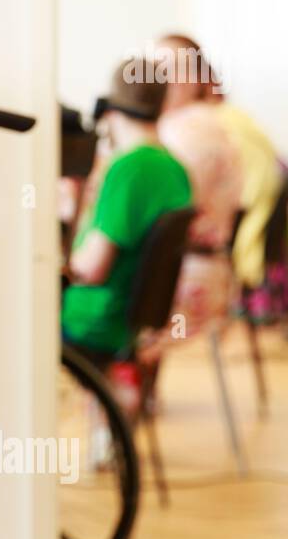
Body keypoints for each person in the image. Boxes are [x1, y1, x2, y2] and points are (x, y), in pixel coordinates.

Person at [61, 58, 193, 363]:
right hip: (130, 322)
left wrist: (55, 264)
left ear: (109, 109)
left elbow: (91, 270)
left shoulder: (127, 169)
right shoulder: (175, 169)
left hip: (93, 322)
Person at [155, 37, 244, 341]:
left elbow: (163, 206)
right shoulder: (208, 120)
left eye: (167, 69)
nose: (157, 79)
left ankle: (113, 383)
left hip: (184, 276)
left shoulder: (188, 129)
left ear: (194, 78)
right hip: (208, 266)